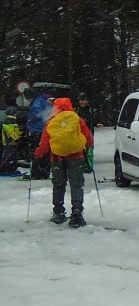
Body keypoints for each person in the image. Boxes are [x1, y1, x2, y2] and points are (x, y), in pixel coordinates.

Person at [33, 97, 94, 228]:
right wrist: (88, 146)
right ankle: (77, 211)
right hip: (76, 156)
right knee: (76, 184)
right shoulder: (78, 120)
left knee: (59, 184)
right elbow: (88, 137)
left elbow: (44, 143)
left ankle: (58, 212)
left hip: (57, 158)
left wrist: (37, 154)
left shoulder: (51, 122)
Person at [75, 93, 99, 171]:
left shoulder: (91, 110)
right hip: (79, 134)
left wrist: (98, 123)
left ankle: (89, 166)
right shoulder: (76, 110)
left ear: (87, 101)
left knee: (89, 151)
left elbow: (95, 119)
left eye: (83, 100)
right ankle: (82, 165)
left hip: (89, 133)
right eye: (80, 100)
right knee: (81, 150)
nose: (81, 102)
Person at [0, 110, 22, 175]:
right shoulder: (9, 121)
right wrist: (16, 138)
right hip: (9, 142)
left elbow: (14, 131)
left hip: (12, 142)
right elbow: (10, 132)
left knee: (12, 156)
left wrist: (21, 135)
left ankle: (11, 170)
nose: (17, 115)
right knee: (8, 157)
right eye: (16, 113)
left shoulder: (12, 121)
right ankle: (6, 170)